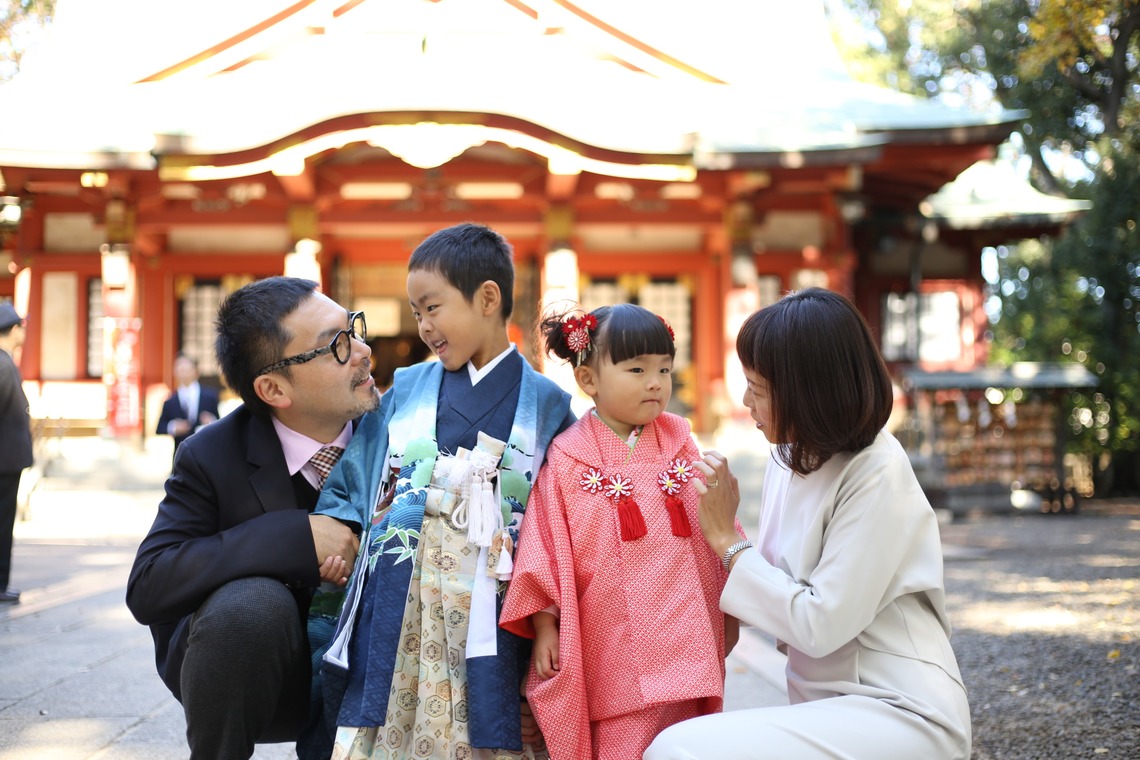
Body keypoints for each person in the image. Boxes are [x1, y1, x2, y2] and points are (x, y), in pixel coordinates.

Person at [644, 287, 972, 760]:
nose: (745, 401)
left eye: (757, 390)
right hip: (824, 705)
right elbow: (773, 587)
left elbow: (820, 623)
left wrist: (725, 539)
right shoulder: (787, 456)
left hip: (900, 709)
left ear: (807, 393)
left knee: (678, 750)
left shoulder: (877, 469)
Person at [313, 222, 575, 759]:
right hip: (401, 592)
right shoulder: (407, 387)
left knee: (495, 726)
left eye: (432, 308)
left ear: (487, 298)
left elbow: (562, 521)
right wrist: (338, 526)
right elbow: (358, 475)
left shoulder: (546, 404)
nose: (423, 325)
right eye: (415, 312)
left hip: (496, 606)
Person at [125, 276, 380, 760]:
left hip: (380, 668)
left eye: (355, 330)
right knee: (252, 604)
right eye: (338, 346)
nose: (364, 350)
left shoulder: (400, 431)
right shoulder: (213, 454)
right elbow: (149, 584)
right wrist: (292, 536)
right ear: (273, 388)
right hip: (263, 676)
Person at [499, 303, 744, 760]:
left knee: (688, 741)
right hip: (609, 639)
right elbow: (546, 545)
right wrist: (546, 621)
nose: (656, 382)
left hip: (684, 632)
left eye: (665, 369)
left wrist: (730, 606)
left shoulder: (681, 444)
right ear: (588, 380)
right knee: (619, 741)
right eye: (637, 369)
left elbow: (715, 531)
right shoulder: (569, 459)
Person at [0, 302, 32, 605]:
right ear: (12, 329)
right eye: (20, 326)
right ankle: (0, 583)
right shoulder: (2, 364)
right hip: (4, 461)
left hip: (6, 459)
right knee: (2, 522)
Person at [155, 352, 220, 461]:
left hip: (206, 456)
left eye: (186, 366)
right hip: (180, 457)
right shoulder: (170, 401)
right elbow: (159, 428)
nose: (183, 369)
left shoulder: (210, 397)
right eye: (179, 366)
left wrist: (211, 421)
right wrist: (174, 427)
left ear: (196, 371)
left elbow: (219, 423)